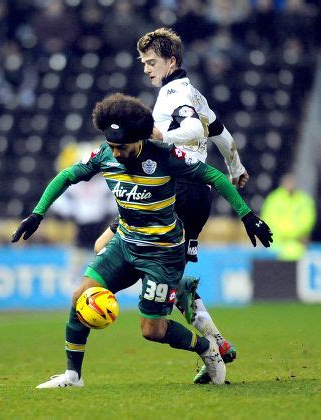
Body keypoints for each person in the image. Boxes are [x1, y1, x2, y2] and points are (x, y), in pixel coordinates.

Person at [11, 93, 272, 388]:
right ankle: (73, 375)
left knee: (152, 330)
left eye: (122, 147)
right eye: (112, 146)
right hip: (125, 243)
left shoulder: (166, 156)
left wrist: (248, 216)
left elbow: (214, 176)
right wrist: (37, 214)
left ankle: (206, 348)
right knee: (80, 297)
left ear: (140, 139)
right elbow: (66, 177)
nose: (116, 153)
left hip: (163, 253)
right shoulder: (105, 156)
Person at [94, 27, 249, 383]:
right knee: (173, 274)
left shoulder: (172, 95)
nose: (147, 69)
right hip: (197, 197)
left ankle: (211, 343)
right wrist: (236, 169)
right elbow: (219, 133)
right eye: (144, 63)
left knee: (107, 247)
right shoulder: (193, 92)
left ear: (171, 61)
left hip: (175, 190)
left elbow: (194, 130)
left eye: (152, 62)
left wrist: (162, 136)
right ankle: (217, 344)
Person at [260, 173, 316, 261]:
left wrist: (294, 234)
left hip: (297, 242)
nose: (290, 185)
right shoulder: (274, 199)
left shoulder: (304, 199)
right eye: (288, 182)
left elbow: (308, 219)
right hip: (276, 242)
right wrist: (282, 234)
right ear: (282, 183)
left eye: (292, 182)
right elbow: (268, 219)